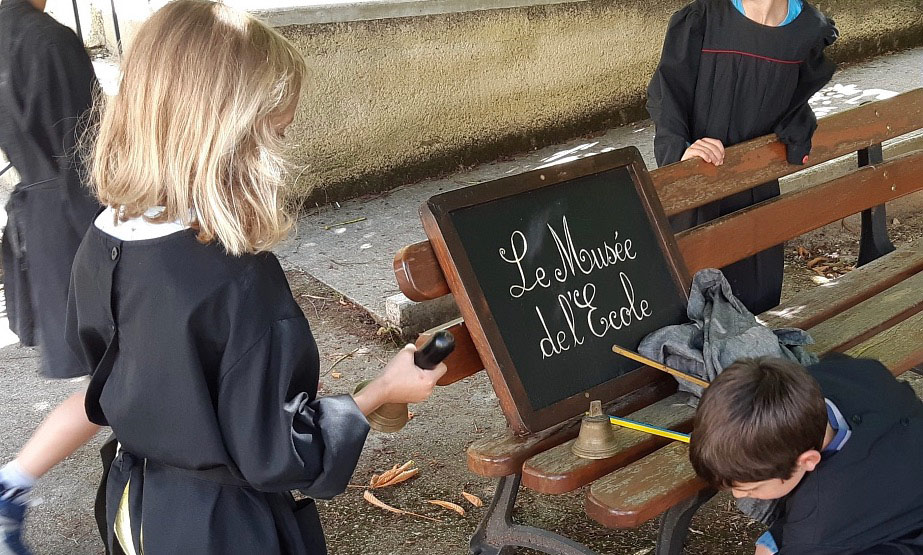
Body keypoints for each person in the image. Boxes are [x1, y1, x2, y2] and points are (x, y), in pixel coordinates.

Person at [66, 2, 447, 553]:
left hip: (140, 507)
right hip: (227, 528)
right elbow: (277, 452)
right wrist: (383, 390)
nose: (280, 152)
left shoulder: (103, 238)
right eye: (277, 134)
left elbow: (108, 368)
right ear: (234, 138)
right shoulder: (239, 279)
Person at [646, 0, 837, 315]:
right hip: (701, 179)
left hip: (757, 187)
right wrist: (680, 148)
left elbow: (795, 97)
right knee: (690, 302)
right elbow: (668, 94)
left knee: (755, 301)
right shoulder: (703, 19)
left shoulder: (807, 28)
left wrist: (797, 129)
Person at [0, 0, 102, 552]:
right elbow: (86, 156)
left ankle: (13, 484)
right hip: (77, 223)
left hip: (42, 222)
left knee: (116, 371)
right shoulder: (47, 39)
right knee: (124, 367)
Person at [689, 356, 923, 554]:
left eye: (753, 488)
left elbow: (811, 536)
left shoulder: (819, 524)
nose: (739, 495)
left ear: (808, 460)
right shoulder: (832, 375)